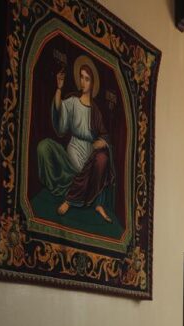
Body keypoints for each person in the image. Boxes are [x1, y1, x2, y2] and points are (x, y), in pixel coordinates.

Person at [37, 56, 115, 223]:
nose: (84, 81)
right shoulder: (72, 101)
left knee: (103, 158)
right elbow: (60, 120)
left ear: (92, 83)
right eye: (81, 77)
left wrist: (103, 142)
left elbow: (105, 135)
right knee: (44, 147)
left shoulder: (96, 111)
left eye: (87, 78)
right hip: (73, 151)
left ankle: (80, 200)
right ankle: (77, 194)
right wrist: (59, 89)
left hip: (90, 155)